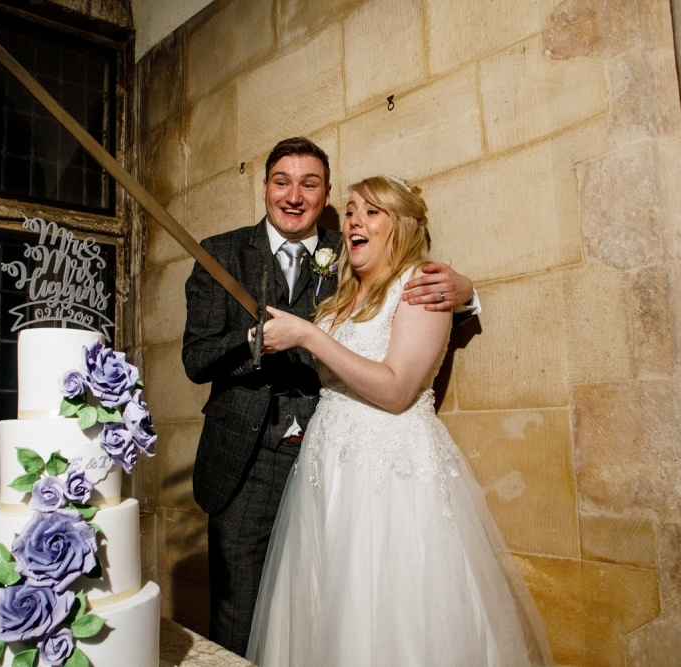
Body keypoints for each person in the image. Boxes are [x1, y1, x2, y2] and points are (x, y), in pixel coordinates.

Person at [181, 137, 478, 655]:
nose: (294, 196)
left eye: (310, 184)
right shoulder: (221, 253)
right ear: (266, 187)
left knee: (339, 609)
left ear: (326, 195)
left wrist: (468, 290)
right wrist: (253, 341)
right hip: (246, 463)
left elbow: (416, 289)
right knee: (242, 616)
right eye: (282, 182)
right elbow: (195, 357)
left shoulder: (353, 253)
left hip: (337, 467)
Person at [244, 176, 553, 666]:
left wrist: (308, 336)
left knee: (390, 610)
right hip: (328, 471)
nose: (353, 222)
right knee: (327, 608)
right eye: (348, 212)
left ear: (400, 225)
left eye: (371, 212)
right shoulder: (336, 299)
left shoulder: (420, 286)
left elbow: (395, 390)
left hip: (390, 475)